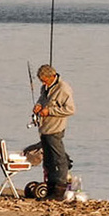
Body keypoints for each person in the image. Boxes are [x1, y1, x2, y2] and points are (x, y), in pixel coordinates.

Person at [31, 63, 76, 200]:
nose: (43, 83)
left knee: (59, 159)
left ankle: (60, 190)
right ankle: (50, 187)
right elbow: (42, 99)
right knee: (48, 160)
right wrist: (39, 105)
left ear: (52, 76)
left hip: (55, 128)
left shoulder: (63, 89)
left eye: (44, 80)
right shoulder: (45, 87)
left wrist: (49, 111)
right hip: (44, 128)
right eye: (41, 81)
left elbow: (70, 109)